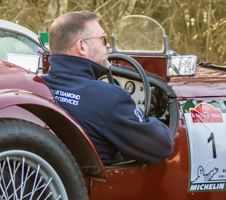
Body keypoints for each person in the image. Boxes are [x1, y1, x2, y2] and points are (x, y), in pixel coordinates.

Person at [39, 11, 175, 167]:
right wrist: (152, 119)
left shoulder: (38, 87)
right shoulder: (109, 98)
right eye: (103, 39)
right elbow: (161, 147)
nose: (108, 45)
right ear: (82, 47)